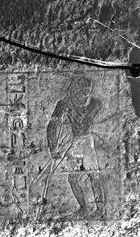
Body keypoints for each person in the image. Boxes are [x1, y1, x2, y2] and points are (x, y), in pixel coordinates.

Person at [41, 75, 105, 218]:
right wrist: (53, 147)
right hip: (79, 143)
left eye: (87, 90)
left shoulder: (92, 104)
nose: (85, 94)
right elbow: (53, 125)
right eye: (83, 90)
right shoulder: (67, 104)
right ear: (76, 89)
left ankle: (98, 210)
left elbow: (53, 125)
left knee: (91, 176)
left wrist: (54, 148)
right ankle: (87, 208)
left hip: (83, 143)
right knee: (78, 178)